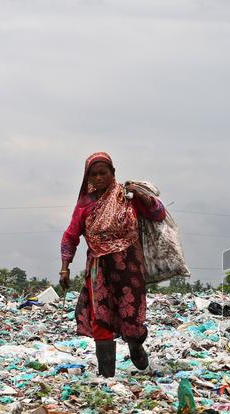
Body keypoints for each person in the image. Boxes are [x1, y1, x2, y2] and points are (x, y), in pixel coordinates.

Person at [59, 152, 167, 377]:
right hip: (99, 268)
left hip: (128, 266)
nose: (98, 178)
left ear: (113, 174)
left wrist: (142, 195)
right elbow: (70, 236)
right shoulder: (84, 206)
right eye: (94, 174)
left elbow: (158, 213)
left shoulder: (127, 197)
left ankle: (136, 345)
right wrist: (65, 267)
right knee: (101, 316)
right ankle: (107, 377)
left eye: (103, 173)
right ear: (87, 177)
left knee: (132, 314)